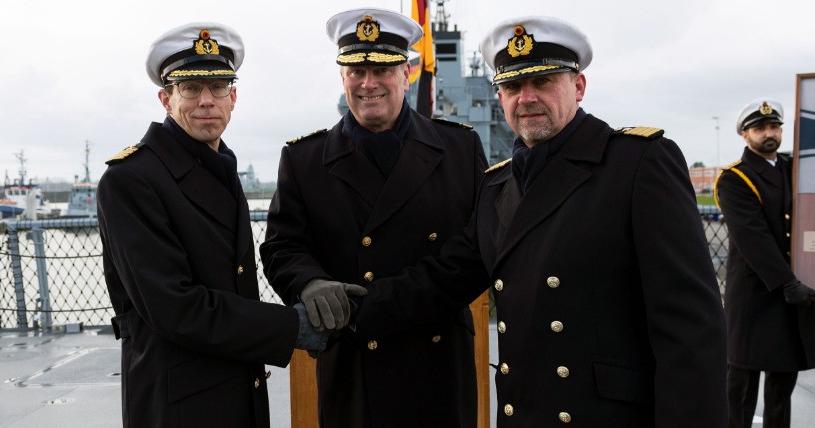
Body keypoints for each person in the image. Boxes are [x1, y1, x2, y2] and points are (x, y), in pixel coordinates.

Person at [349, 16, 729, 427]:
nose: (526, 98)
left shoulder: (636, 164)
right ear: (500, 98)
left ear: (578, 86)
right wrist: (344, 311)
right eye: (512, 86)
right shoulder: (498, 186)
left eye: (543, 81)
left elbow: (691, 328)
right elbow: (444, 279)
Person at [259, 7, 487, 427]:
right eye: (356, 71)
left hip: (436, 365)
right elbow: (281, 246)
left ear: (406, 73)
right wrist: (309, 282)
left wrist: (372, 306)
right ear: (342, 76)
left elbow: (475, 254)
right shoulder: (304, 160)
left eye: (382, 69)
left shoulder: (459, 150)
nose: (368, 83)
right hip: (353, 368)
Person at [97, 22, 327, 428]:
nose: (206, 100)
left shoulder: (217, 165)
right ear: (166, 99)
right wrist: (291, 327)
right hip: (179, 405)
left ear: (233, 98)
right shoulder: (131, 179)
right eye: (190, 88)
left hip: (236, 390)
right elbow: (174, 307)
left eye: (218, 87)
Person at [714, 98, 815, 428]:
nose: (769, 133)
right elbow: (752, 238)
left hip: (792, 292)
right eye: (760, 128)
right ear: (745, 135)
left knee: (781, 385)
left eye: (774, 127)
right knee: (740, 386)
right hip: (755, 294)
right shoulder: (735, 178)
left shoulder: (794, 170)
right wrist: (787, 282)